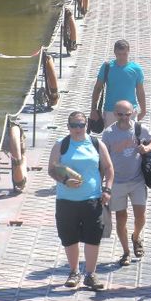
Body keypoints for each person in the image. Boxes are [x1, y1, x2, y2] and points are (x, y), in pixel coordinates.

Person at [48, 111, 114, 290]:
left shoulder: (96, 143)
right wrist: (64, 181)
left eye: (81, 125)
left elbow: (108, 168)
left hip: (92, 199)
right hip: (66, 200)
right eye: (74, 125)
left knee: (93, 238)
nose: (78, 129)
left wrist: (107, 189)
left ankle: (90, 274)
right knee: (69, 238)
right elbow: (52, 170)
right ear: (68, 127)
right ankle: (74, 272)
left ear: (87, 126)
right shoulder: (61, 145)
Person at [102, 100, 151, 266]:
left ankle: (136, 236)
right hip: (117, 182)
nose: (123, 118)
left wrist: (147, 148)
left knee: (140, 216)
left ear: (132, 113)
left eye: (127, 114)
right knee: (121, 218)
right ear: (114, 114)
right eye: (120, 114)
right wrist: (103, 186)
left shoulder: (139, 128)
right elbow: (103, 161)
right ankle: (126, 252)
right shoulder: (108, 134)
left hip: (137, 180)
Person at [90, 39, 146, 128]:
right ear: (114, 52)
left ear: (128, 52)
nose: (122, 57)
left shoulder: (136, 69)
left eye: (124, 54)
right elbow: (97, 88)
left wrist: (143, 110)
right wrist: (93, 109)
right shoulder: (107, 67)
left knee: (131, 139)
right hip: (111, 111)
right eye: (119, 54)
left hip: (130, 111)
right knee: (111, 139)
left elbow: (140, 91)